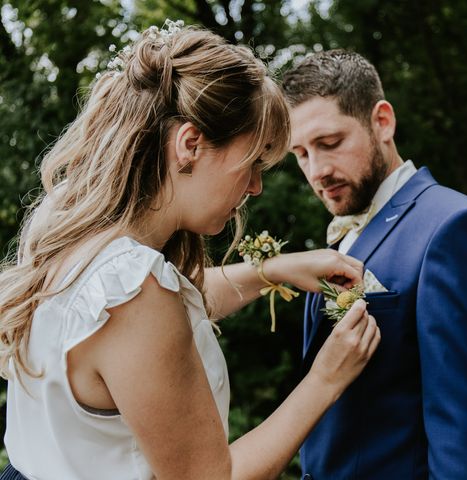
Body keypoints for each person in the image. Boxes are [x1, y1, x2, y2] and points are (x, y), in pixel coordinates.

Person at [0, 25, 381, 480]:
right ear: (190, 144)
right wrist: (325, 380)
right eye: (253, 162)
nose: (256, 186)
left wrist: (274, 270)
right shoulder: (134, 292)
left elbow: (176, 309)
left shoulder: (70, 225)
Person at [282, 50, 467, 479]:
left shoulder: (454, 227)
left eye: (330, 143)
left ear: (382, 122)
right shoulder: (338, 238)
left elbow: (466, 436)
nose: (317, 170)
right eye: (300, 154)